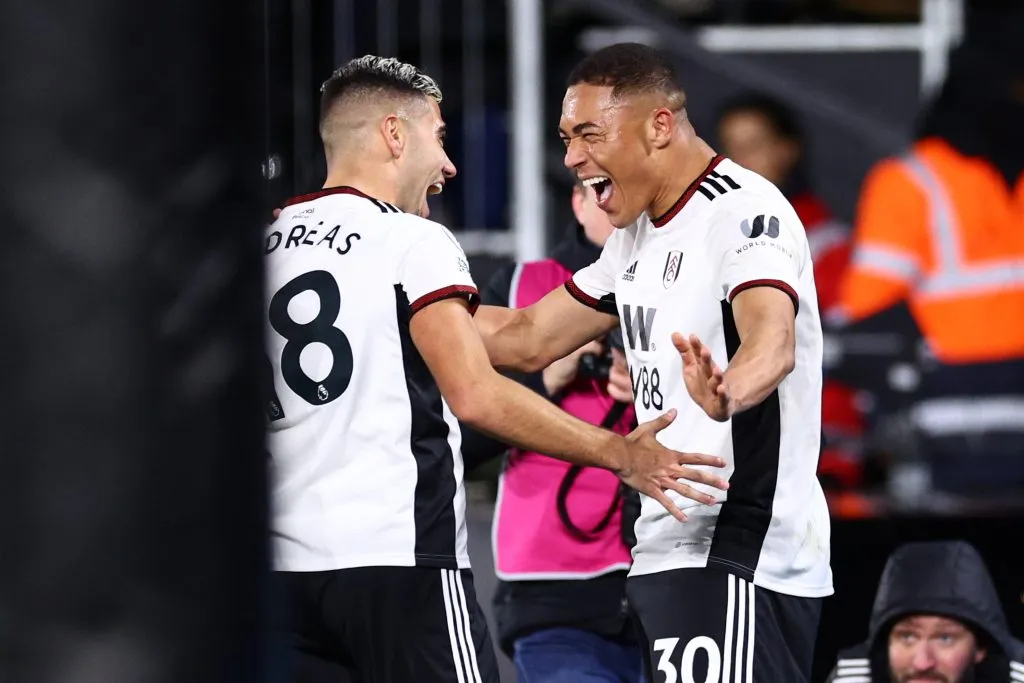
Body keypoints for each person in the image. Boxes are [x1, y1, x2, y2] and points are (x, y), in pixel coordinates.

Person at [265, 55, 729, 683]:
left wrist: (630, 272)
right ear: (395, 135)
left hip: (279, 579)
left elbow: (519, 339)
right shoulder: (410, 241)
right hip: (399, 564)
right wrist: (621, 454)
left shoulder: (266, 241)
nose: (449, 165)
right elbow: (478, 396)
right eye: (438, 136)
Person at [475, 43, 833, 682]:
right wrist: (406, 303)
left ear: (659, 126)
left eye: (589, 134)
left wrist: (730, 390)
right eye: (565, 137)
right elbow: (525, 337)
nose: (572, 158)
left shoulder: (742, 210)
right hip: (668, 552)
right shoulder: (635, 238)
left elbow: (772, 343)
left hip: (739, 548)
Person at [832, 7, 1024, 501]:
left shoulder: (911, 182)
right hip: (952, 434)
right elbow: (868, 324)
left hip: (959, 428)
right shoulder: (913, 184)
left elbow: (864, 323)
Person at [460, 181, 643, 683]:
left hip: (676, 575)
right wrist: (544, 376)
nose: (616, 204)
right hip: (554, 587)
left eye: (624, 185)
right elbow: (458, 441)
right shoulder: (520, 290)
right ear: (577, 203)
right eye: (598, 190)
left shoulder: (689, 282)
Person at [715, 93, 866, 512]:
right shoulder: (707, 234)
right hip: (734, 442)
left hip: (817, 449)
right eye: (731, 146)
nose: (740, 159)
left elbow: (839, 356)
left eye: (754, 144)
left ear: (787, 150)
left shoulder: (827, 243)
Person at [823, 540, 1024, 683]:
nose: (922, 662)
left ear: (981, 648)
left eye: (945, 638)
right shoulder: (854, 677)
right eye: (907, 636)